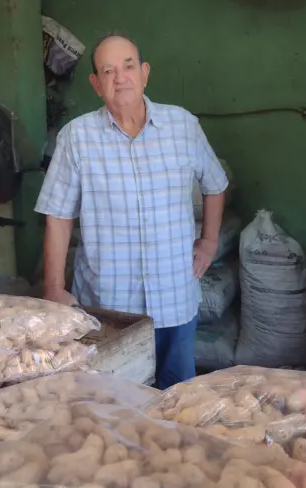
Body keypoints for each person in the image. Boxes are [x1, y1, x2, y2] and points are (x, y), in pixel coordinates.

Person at [34, 33, 228, 389]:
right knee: (111, 404)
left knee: (175, 402)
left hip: (174, 297)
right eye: (107, 71)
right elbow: (58, 215)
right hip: (109, 306)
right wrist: (54, 287)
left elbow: (215, 184)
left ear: (145, 73)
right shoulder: (76, 138)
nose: (119, 77)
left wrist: (210, 241)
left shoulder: (182, 126)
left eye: (128, 66)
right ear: (96, 84)